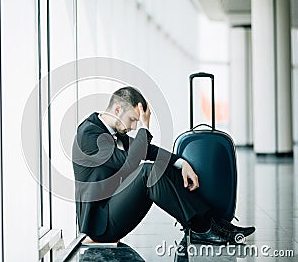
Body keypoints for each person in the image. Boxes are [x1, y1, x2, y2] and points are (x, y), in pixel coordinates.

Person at [72, 86, 255, 245]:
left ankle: (212, 223)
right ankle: (202, 229)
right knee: (147, 172)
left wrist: (180, 163)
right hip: (100, 224)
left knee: (165, 168)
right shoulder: (89, 134)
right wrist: (145, 126)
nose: (134, 127)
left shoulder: (112, 130)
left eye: (137, 122)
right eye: (133, 120)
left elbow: (146, 150)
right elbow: (130, 163)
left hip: (114, 205)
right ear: (118, 109)